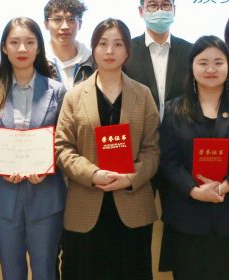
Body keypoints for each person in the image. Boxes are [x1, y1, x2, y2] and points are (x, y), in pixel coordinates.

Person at [55, 18, 160, 280]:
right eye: (102, 44)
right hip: (86, 202)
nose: (110, 51)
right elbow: (63, 148)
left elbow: (153, 149)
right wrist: (93, 174)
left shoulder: (143, 94)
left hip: (132, 204)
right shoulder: (74, 96)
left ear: (127, 52)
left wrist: (130, 177)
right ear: (93, 49)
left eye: (118, 44)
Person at [158, 35, 229, 280]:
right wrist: (194, 190)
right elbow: (168, 160)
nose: (210, 69)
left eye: (218, 62)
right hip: (188, 218)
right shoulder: (174, 110)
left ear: (228, 67)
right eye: (203, 62)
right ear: (191, 67)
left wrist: (224, 186)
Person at [0, 17, 67, 280]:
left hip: (46, 194)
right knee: (11, 272)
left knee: (45, 271)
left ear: (38, 47)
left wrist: (48, 163)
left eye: (29, 42)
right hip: (2, 195)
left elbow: (65, 140)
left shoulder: (57, 91)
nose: (22, 49)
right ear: (4, 47)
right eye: (14, 42)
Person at [123, 0, 193, 117]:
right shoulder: (127, 51)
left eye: (166, 5)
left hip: (180, 128)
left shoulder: (190, 51)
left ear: (174, 10)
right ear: (141, 11)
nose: (160, 10)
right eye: (153, 5)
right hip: (140, 128)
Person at [43, 0, 94, 89]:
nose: (65, 26)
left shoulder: (92, 62)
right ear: (46, 24)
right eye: (57, 19)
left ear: (80, 24)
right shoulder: (37, 62)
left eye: (71, 19)